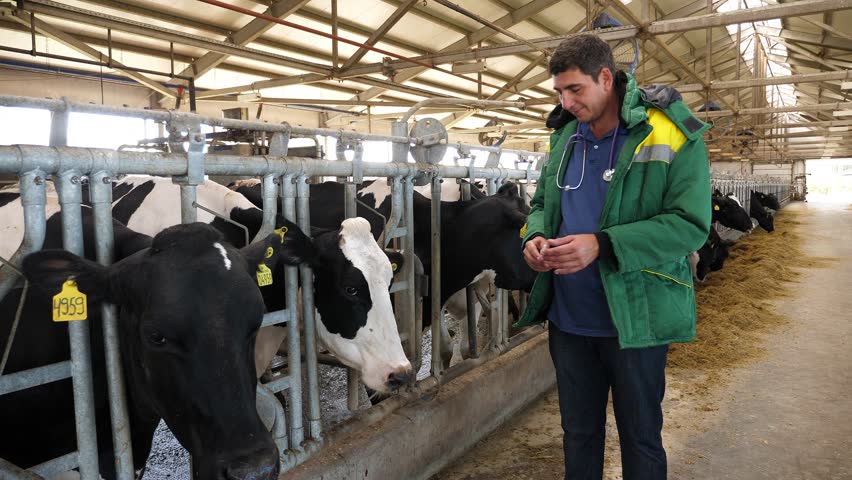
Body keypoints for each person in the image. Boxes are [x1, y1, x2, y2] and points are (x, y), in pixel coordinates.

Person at [515, 33, 712, 480]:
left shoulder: (670, 132)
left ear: (606, 78)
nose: (565, 102)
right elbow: (542, 204)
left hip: (636, 322)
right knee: (578, 434)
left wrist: (603, 244)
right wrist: (536, 236)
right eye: (559, 92)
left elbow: (689, 224)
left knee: (641, 437)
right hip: (569, 322)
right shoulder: (565, 137)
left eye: (575, 89)